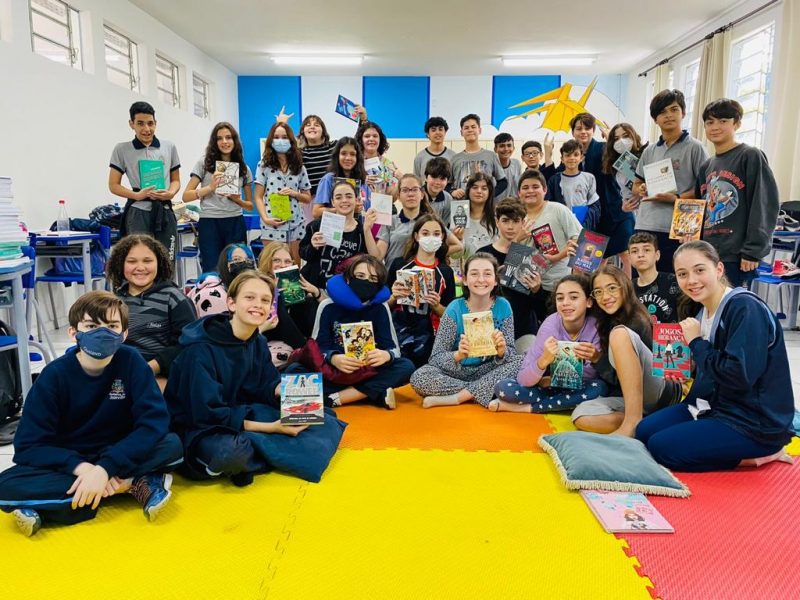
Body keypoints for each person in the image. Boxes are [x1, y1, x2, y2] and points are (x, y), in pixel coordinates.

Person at [0, 292, 182, 536]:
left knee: (172, 445)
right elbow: (28, 446)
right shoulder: (53, 376)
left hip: (119, 450)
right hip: (73, 459)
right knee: (5, 485)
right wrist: (82, 468)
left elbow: (153, 423)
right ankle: (129, 485)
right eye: (92, 326)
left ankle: (51, 505)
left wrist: (105, 468)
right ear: (73, 332)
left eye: (112, 326)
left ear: (124, 334)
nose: (103, 332)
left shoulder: (132, 362)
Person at [165, 271, 340, 486]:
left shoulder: (257, 340)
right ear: (231, 303)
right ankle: (260, 451)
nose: (258, 304)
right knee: (231, 454)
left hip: (242, 410)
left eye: (265, 300)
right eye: (249, 297)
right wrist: (273, 428)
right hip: (202, 427)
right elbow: (206, 415)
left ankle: (263, 451)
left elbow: (265, 382)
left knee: (320, 415)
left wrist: (282, 390)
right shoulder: (199, 351)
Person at [636, 241, 795, 471]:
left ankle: (763, 454)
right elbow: (709, 366)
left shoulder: (745, 309)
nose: (691, 280)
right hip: (710, 405)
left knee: (662, 448)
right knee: (644, 432)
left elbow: (738, 376)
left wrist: (696, 343)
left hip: (751, 420)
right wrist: (685, 367)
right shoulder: (699, 310)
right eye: (683, 274)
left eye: (700, 270)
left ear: (719, 269)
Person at [571, 265, 682, 436]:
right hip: (634, 400)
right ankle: (650, 425)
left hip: (661, 392)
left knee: (620, 334)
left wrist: (598, 359)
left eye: (612, 288)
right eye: (598, 292)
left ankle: (633, 422)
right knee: (581, 416)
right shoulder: (605, 319)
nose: (605, 296)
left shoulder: (634, 320)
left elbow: (624, 378)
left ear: (625, 287)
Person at [299, 255, 415, 408]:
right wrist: (334, 359)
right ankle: (371, 394)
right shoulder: (328, 306)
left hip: (367, 371)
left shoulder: (381, 308)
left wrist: (386, 355)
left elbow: (393, 349)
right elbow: (316, 348)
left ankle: (337, 398)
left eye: (373, 279)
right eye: (360, 276)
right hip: (334, 371)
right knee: (296, 370)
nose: (366, 281)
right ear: (348, 279)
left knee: (406, 366)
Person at [410, 253, 523, 409]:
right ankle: (484, 391)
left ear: (496, 280)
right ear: (464, 279)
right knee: (420, 377)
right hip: (458, 372)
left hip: (490, 369)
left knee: (524, 361)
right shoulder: (454, 309)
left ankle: (459, 397)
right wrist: (458, 355)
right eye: (474, 274)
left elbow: (511, 354)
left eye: (487, 274)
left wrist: (502, 351)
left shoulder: (503, 306)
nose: (481, 279)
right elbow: (435, 358)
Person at [695, 98, 780, 289]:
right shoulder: (705, 166)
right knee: (710, 311)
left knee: (733, 309)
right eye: (710, 122)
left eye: (723, 121)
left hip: (737, 254)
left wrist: (752, 250)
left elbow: (764, 203)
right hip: (708, 252)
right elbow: (700, 208)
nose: (715, 127)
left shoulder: (750, 156)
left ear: (737, 123)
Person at [493, 274, 608, 412]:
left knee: (600, 388)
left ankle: (529, 408)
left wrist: (552, 378)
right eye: (560, 298)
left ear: (589, 302)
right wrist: (543, 361)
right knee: (503, 387)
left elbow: (593, 376)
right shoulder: (550, 325)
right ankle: (561, 404)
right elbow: (523, 379)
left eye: (574, 297)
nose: (565, 303)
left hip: (578, 387)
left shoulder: (596, 326)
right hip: (546, 389)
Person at [106, 235, 197, 390]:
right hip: (120, 372)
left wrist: (151, 368)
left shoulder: (173, 298)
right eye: (132, 261)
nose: (140, 267)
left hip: (161, 372)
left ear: (159, 263)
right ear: (120, 264)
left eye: (147, 261)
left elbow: (187, 344)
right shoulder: (113, 300)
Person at [633, 89, 708, 271]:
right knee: (643, 282)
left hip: (681, 228)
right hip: (646, 224)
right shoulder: (650, 150)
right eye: (662, 112)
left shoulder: (695, 148)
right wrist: (641, 189)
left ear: (683, 113)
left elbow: (706, 189)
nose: (668, 116)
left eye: (673, 110)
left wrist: (677, 198)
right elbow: (636, 184)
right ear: (655, 119)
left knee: (677, 282)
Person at [109, 101, 180, 261]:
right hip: (138, 211)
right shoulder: (122, 149)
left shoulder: (169, 147)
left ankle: (166, 287)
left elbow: (176, 180)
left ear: (156, 123)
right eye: (140, 123)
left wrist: (170, 193)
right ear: (131, 124)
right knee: (140, 259)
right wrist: (137, 195)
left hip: (164, 210)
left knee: (167, 260)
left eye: (150, 123)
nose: (146, 129)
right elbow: (113, 185)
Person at [183, 121, 253, 273]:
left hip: (235, 221)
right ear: (214, 142)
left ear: (234, 140)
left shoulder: (243, 168)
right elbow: (186, 196)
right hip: (210, 222)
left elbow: (249, 205)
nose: (224, 142)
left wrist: (236, 199)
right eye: (219, 138)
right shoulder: (204, 163)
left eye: (228, 137)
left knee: (238, 269)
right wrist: (210, 187)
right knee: (211, 269)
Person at [387, 214, 457, 366]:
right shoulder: (399, 264)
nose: (431, 238)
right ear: (416, 236)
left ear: (443, 237)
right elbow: (383, 306)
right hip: (399, 330)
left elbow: (450, 314)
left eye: (436, 234)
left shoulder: (445, 272)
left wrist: (436, 305)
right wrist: (393, 296)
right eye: (425, 233)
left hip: (429, 336)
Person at [517, 169, 581, 325]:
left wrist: (562, 254)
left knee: (558, 327)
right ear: (519, 192)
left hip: (556, 285)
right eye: (525, 188)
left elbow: (579, 238)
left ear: (544, 190)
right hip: (523, 285)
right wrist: (519, 238)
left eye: (535, 186)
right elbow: (508, 250)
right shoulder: (516, 215)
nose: (530, 191)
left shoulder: (558, 210)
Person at [478, 197, 542, 347]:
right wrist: (516, 244)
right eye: (506, 221)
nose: (511, 227)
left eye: (516, 221)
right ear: (497, 221)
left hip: (523, 327)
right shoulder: (483, 254)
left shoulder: (532, 255)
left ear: (523, 222)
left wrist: (537, 289)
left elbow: (538, 304)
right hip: (492, 327)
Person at [300, 180, 380, 289]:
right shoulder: (317, 226)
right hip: (314, 286)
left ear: (357, 200)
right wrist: (313, 246)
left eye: (348, 196)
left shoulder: (362, 230)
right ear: (332, 202)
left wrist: (367, 230)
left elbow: (374, 260)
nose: (344, 201)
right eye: (338, 197)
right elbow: (303, 254)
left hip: (344, 290)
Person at [254, 123, 311, 262]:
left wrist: (294, 193)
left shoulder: (299, 167)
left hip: (296, 224)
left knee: (293, 267)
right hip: (271, 224)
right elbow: (258, 197)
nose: (280, 140)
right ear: (271, 140)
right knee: (272, 266)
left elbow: (307, 198)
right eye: (276, 137)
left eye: (284, 137)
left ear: (291, 140)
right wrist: (265, 218)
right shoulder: (264, 166)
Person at [377, 174, 462, 266]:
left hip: (423, 275)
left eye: (414, 189)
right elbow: (378, 256)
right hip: (393, 275)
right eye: (405, 190)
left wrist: (432, 254)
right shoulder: (390, 221)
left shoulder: (430, 222)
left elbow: (458, 245)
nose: (410, 194)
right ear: (399, 196)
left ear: (421, 194)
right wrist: (367, 229)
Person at [602, 122, 647, 277]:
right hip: (637, 216)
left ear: (633, 135)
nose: (621, 141)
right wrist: (625, 205)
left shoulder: (646, 155)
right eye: (616, 138)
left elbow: (645, 186)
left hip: (652, 214)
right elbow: (626, 191)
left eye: (625, 136)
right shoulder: (618, 165)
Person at [257, 240, 320, 343]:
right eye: (276, 260)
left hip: (290, 331)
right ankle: (303, 345)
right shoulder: (258, 282)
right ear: (267, 261)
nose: (282, 265)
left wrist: (315, 292)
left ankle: (310, 342)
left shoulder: (293, 282)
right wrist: (274, 294)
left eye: (287, 261)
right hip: (266, 329)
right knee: (280, 299)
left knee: (309, 302)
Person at [546, 139, 601, 230]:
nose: (572, 158)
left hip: (584, 226)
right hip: (562, 226)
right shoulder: (554, 180)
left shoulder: (589, 178)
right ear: (562, 159)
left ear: (581, 158)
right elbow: (550, 206)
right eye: (568, 155)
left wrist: (585, 225)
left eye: (576, 154)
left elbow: (594, 206)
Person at [312, 137, 371, 219]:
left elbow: (369, 210)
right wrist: (346, 209)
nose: (348, 158)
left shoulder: (363, 181)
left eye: (352, 154)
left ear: (357, 158)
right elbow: (316, 212)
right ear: (337, 156)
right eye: (343, 153)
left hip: (359, 229)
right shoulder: (328, 179)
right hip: (335, 229)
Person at [450, 114, 506, 199]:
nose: (470, 130)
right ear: (461, 132)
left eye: (473, 127)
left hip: (485, 207)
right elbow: (447, 184)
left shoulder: (491, 156)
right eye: (466, 128)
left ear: (479, 130)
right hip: (461, 207)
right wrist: (452, 192)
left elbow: (503, 182)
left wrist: (490, 195)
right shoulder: (455, 159)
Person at [628, 232, 680, 324]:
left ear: (657, 255)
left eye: (647, 250)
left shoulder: (674, 281)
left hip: (672, 336)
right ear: (629, 258)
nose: (640, 255)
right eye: (634, 251)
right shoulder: (628, 288)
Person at [454, 172, 500, 261]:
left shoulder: (498, 216)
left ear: (489, 192)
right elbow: (455, 256)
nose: (479, 191)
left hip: (493, 270)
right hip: (469, 270)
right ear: (468, 190)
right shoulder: (459, 215)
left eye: (484, 188)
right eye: (475, 187)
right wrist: (458, 239)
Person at [357, 120, 400, 194]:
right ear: (361, 140)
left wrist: (400, 180)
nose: (371, 139)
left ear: (380, 140)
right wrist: (361, 182)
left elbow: (392, 197)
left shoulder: (388, 164)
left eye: (375, 136)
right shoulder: (354, 162)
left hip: (382, 205)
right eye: (367, 136)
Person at [422, 156, 454, 224]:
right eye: (434, 177)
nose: (437, 182)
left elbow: (444, 225)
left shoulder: (448, 199)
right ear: (426, 178)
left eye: (442, 179)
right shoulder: (417, 195)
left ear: (447, 181)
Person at [494, 133, 523, 200]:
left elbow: (517, 188)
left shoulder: (516, 164)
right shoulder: (490, 166)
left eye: (509, 145)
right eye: (502, 146)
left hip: (512, 205)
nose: (506, 149)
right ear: (495, 149)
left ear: (513, 148)